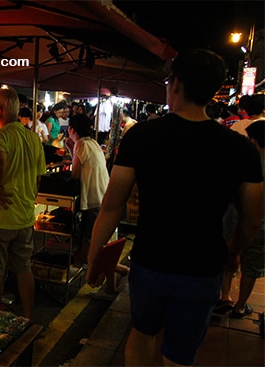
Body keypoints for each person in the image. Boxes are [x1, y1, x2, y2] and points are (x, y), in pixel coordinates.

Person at [85, 49, 263, 366]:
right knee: (180, 354)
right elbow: (251, 220)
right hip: (203, 266)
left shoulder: (141, 136)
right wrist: (232, 251)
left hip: (150, 261)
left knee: (141, 334)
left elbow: (113, 206)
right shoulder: (239, 148)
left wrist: (95, 256)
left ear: (176, 84)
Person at [0, 88, 47, 319]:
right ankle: (27, 318)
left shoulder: (1, 135)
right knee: (23, 268)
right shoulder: (33, 137)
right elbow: (38, 178)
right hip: (25, 215)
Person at [65, 114, 129, 300]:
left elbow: (76, 174)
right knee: (101, 246)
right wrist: (71, 150)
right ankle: (111, 286)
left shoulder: (81, 144)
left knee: (91, 248)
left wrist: (72, 149)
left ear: (72, 130)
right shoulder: (91, 143)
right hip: (103, 197)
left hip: (92, 201)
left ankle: (122, 270)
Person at [215, 119, 265, 318]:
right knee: (251, 268)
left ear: (253, 140)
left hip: (232, 223)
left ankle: (224, 297)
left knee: (228, 257)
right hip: (261, 229)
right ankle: (240, 306)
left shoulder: (242, 162)